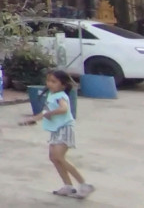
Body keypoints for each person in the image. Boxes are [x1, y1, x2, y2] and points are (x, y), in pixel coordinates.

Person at [21, 70, 94, 199]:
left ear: (63, 85)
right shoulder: (51, 95)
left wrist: (49, 114)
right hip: (56, 130)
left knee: (59, 157)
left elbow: (63, 109)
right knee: (53, 157)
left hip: (65, 129)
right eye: (48, 80)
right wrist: (32, 119)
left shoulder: (61, 96)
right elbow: (45, 112)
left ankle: (84, 184)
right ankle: (68, 186)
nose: (49, 84)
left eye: (54, 81)